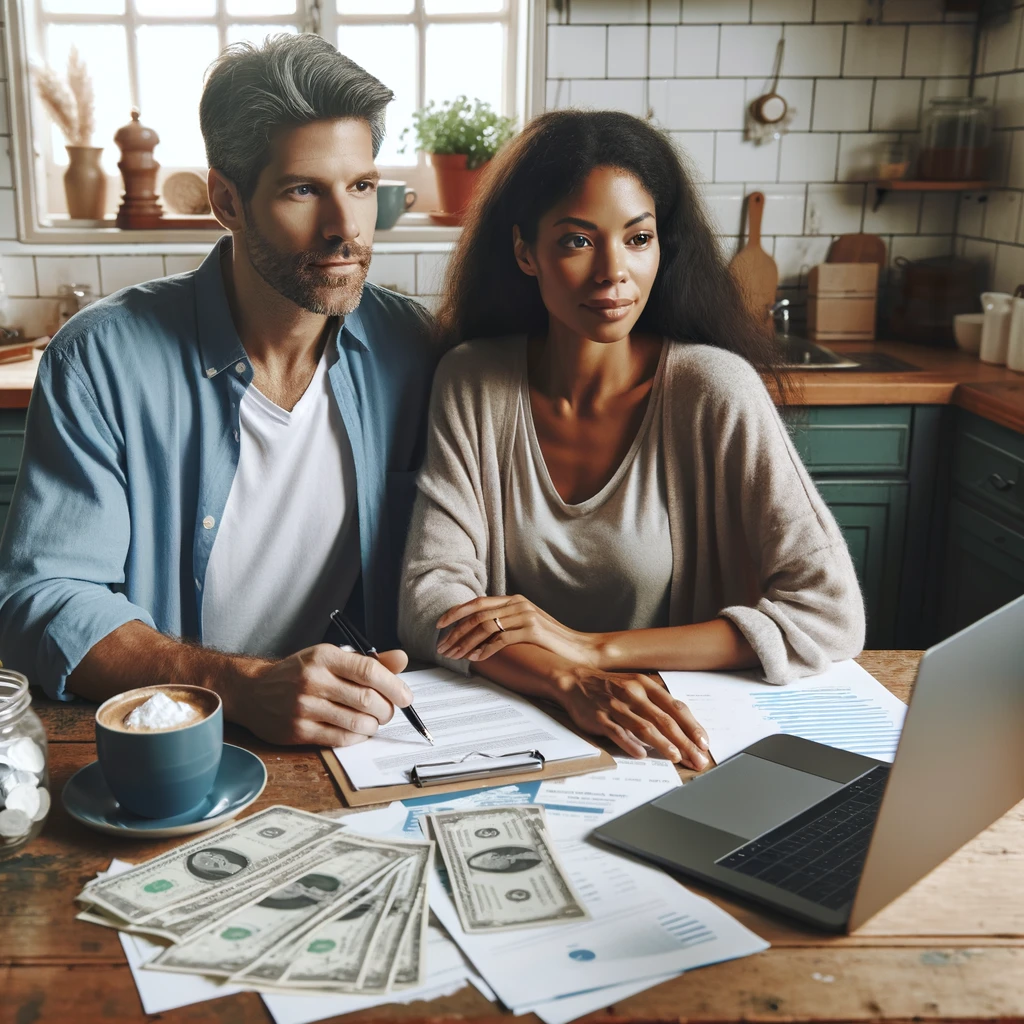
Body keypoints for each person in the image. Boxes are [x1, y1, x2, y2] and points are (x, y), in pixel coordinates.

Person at [0, 35, 436, 748]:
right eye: (304, 190)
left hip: (366, 744)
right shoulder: (103, 358)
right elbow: (41, 601)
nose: (345, 229)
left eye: (360, 187)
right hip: (173, 743)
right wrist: (239, 687)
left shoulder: (412, 349)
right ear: (226, 200)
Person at [399, 110, 865, 770]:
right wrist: (566, 678)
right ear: (525, 252)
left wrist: (594, 649)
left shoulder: (714, 388)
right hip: (518, 734)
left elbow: (829, 612)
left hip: (676, 737)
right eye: (577, 241)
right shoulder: (473, 379)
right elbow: (431, 602)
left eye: (637, 238)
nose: (613, 273)